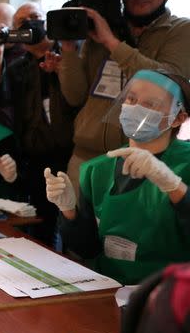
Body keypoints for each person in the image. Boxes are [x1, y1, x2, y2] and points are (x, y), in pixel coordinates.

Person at [57, 0, 190, 188]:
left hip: (143, 162)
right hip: (84, 158)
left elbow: (165, 81)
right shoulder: (102, 29)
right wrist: (68, 50)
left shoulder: (180, 30)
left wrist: (112, 42)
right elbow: (74, 96)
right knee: (72, 224)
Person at [45, 70, 190, 285]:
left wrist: (174, 187)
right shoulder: (97, 169)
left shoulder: (185, 165)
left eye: (150, 104)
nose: (135, 108)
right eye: (131, 99)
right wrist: (69, 212)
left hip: (170, 296)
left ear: (178, 118)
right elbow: (88, 249)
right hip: (109, 289)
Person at [0, 2, 78, 245]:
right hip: (36, 159)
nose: (30, 25)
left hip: (71, 154)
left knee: (72, 226)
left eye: (35, 18)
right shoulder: (18, 67)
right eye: (22, 23)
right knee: (43, 231)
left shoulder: (69, 53)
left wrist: (62, 69)